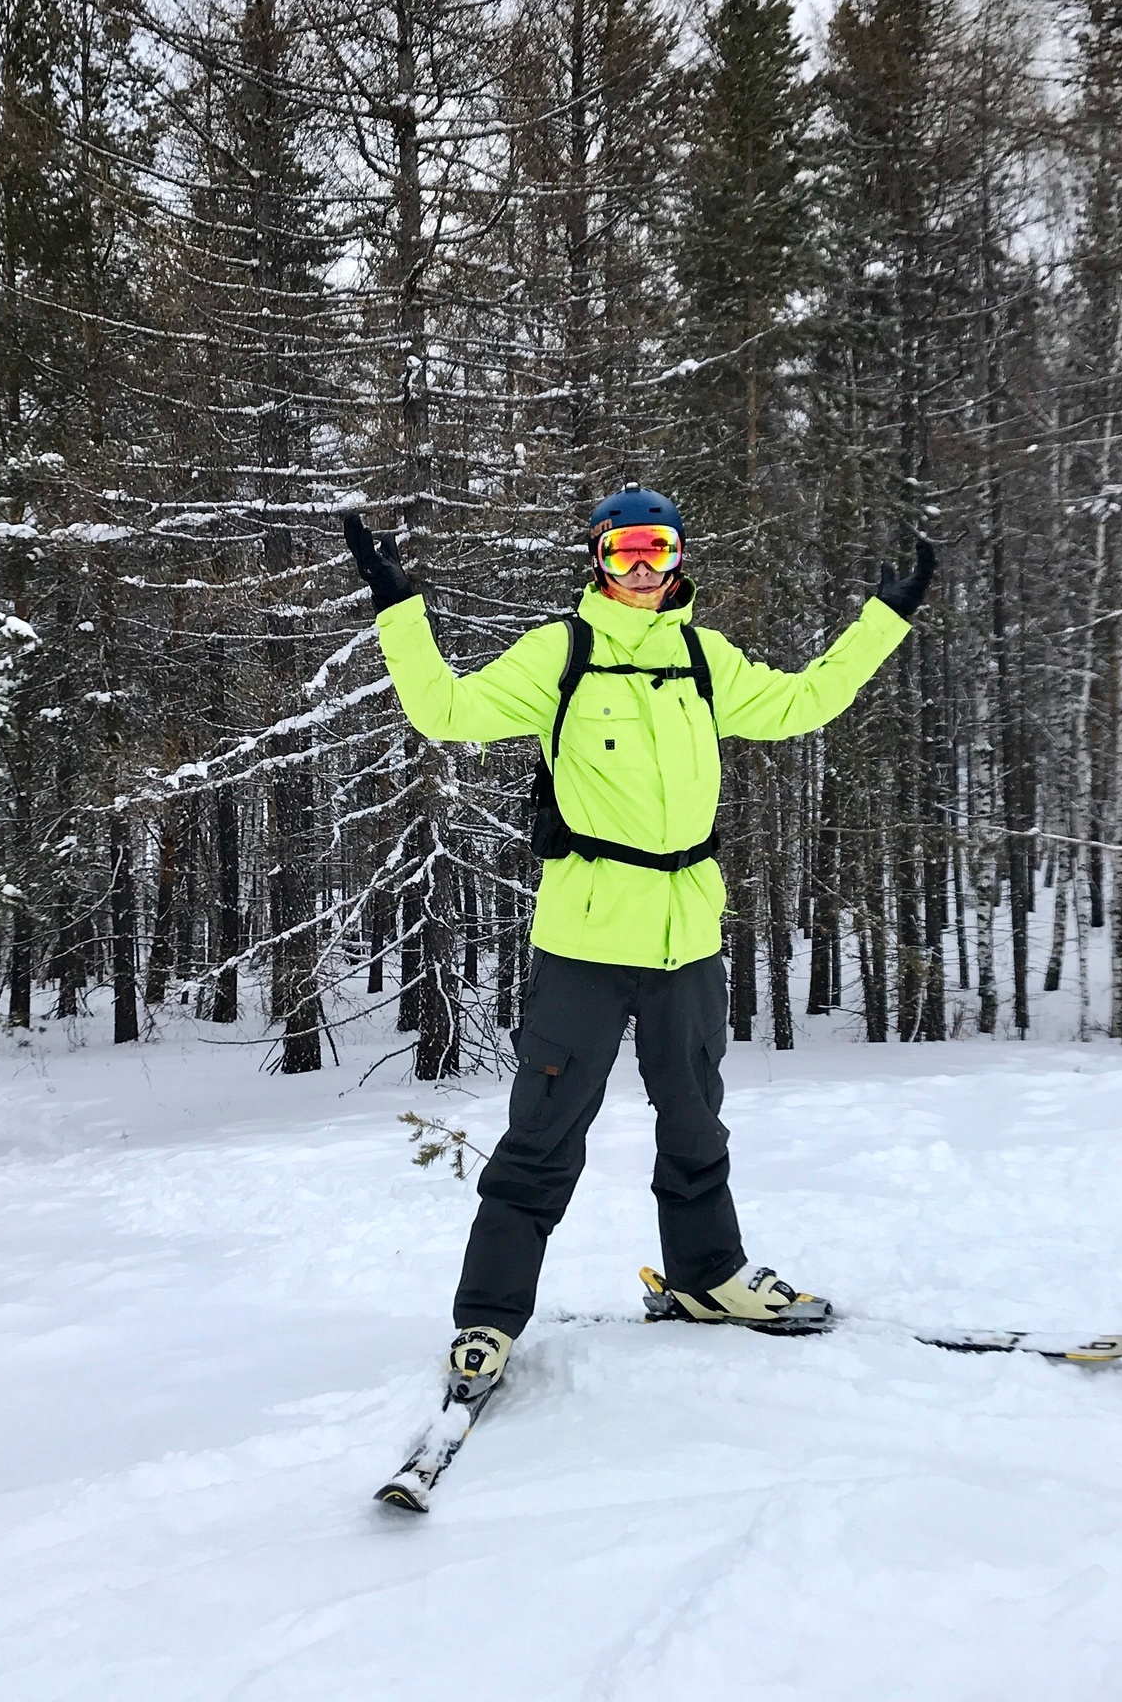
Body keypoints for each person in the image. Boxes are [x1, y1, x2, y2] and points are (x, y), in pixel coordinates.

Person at [340, 484, 934, 1402]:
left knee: (697, 1126)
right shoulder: (561, 653)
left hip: (688, 939)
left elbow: (802, 703)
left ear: (681, 555)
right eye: (624, 552)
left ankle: (708, 1280)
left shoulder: (704, 657)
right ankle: (487, 1321)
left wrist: (882, 622)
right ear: (597, 562)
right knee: (542, 1141)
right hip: (583, 939)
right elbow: (445, 712)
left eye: (657, 547)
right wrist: (396, 605)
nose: (644, 567)